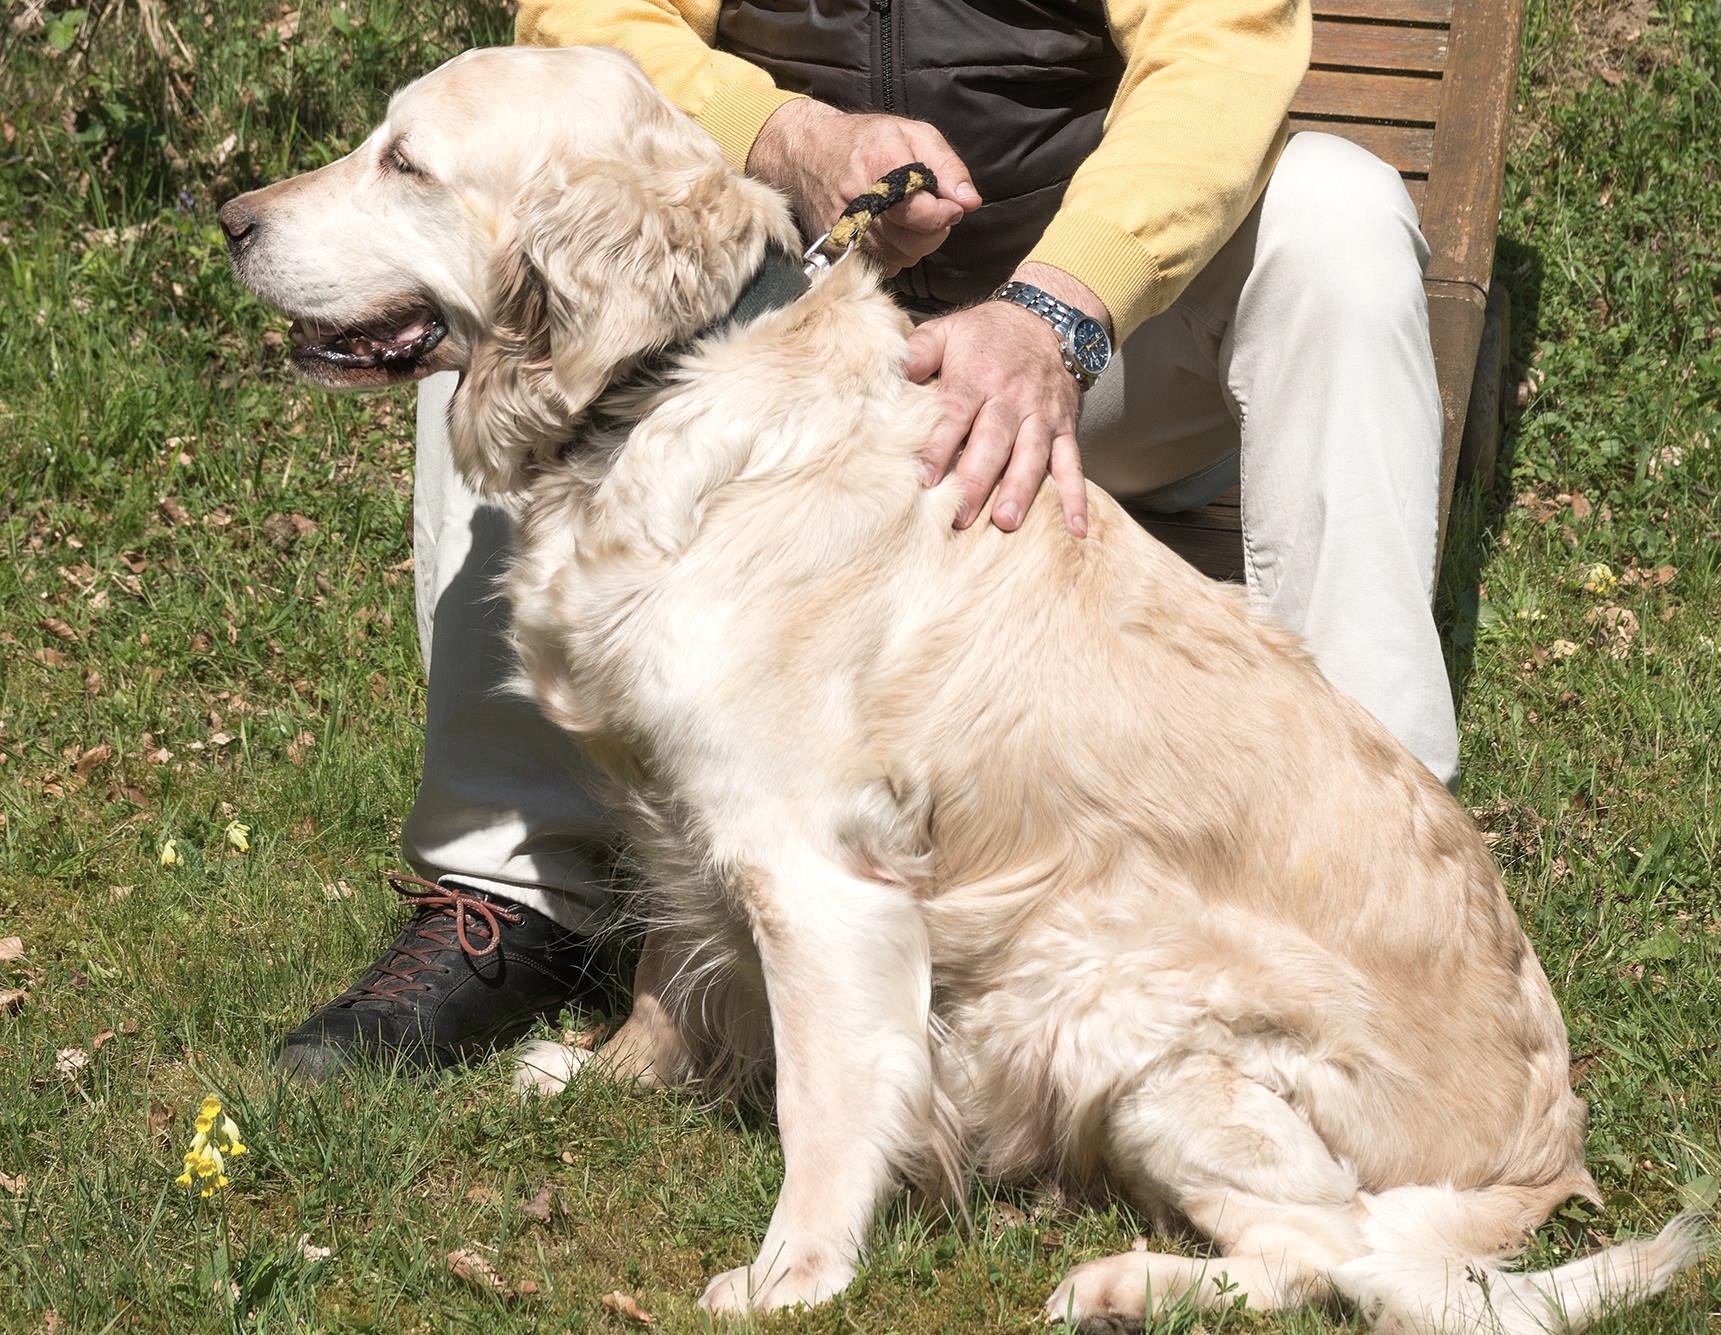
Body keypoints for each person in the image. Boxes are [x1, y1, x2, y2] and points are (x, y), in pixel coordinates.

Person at [276, 0, 1458, 1077]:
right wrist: (782, 134)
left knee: (1336, 214)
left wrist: (1059, 303)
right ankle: (509, 896)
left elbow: (1221, 51)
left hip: (1098, 338)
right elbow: (581, 18)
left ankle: (1385, 854)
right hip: (780, 320)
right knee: (496, 295)